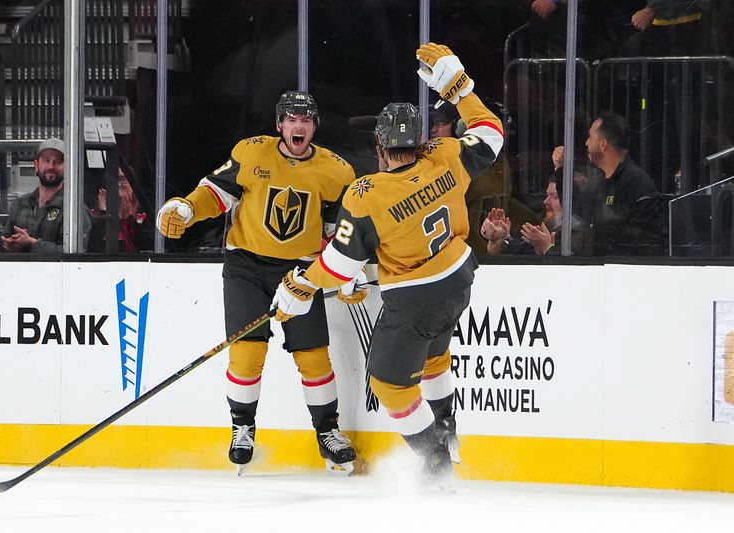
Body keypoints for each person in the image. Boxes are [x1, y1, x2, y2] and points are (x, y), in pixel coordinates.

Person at [272, 43, 504, 485]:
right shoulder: (446, 156)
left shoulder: (366, 194)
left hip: (414, 298)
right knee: (435, 356)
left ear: (379, 143)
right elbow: (490, 130)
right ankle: (448, 433)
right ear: (418, 141)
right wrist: (460, 87)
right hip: (458, 282)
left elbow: (339, 266)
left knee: (390, 385)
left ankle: (435, 469)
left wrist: (300, 285)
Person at [156, 91, 359, 474]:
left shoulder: (337, 171)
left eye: (306, 119)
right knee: (247, 354)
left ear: (315, 126)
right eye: (291, 119)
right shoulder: (251, 153)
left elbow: (340, 231)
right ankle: (242, 428)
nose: (299, 126)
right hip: (246, 266)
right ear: (279, 125)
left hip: (301, 274)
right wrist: (186, 207)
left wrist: (348, 271)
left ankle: (327, 432)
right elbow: (215, 194)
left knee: (313, 357)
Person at [585, 111, 664, 255]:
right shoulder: (601, 184)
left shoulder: (637, 182)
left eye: (590, 137)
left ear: (603, 144)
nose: (586, 143)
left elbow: (648, 244)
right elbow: (579, 212)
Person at [0, 138, 90, 253]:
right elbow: (1, 241)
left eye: (59, 161)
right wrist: (8, 243)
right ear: (36, 165)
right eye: (46, 160)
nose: (51, 166)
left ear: (68, 168)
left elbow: (78, 253)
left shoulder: (75, 210)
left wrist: (33, 244)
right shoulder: (19, 204)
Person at [480, 175, 589, 255]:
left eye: (554, 197)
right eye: (547, 195)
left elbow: (569, 270)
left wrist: (546, 248)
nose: (546, 201)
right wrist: (500, 239)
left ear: (569, 201)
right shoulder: (538, 222)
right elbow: (519, 252)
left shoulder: (575, 234)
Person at [87, 168, 153, 253]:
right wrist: (103, 213)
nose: (118, 184)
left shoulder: (144, 216)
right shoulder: (97, 214)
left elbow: (142, 250)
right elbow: (93, 249)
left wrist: (130, 219)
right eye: (114, 179)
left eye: (123, 180)